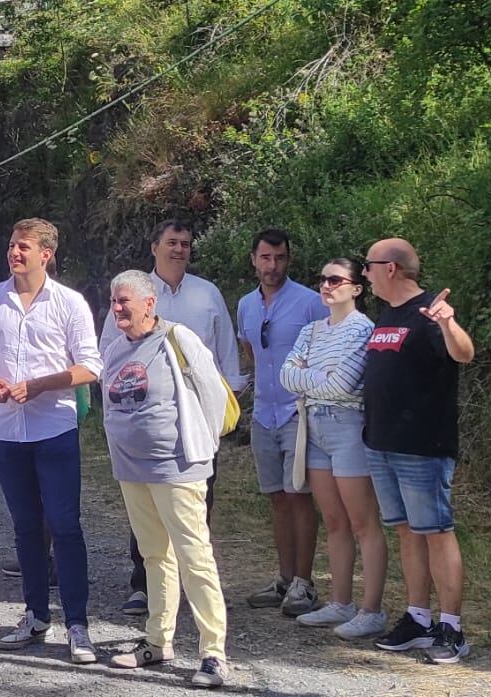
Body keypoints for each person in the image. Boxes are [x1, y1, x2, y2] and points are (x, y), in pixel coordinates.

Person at [0, 219, 102, 664]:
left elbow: (90, 367)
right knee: (25, 526)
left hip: (53, 427)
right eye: (11, 244)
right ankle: (36, 615)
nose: (14, 253)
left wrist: (42, 384)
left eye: (23, 246)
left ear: (46, 254)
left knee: (64, 524)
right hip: (6, 429)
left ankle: (77, 624)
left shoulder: (70, 302)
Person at [98, 271, 232, 688]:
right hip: (132, 470)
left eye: (125, 301)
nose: (117, 308)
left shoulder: (178, 338)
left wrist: (203, 447)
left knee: (194, 556)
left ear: (149, 303)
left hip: (177, 468)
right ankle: (158, 641)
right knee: (154, 555)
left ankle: (213, 653)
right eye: (114, 301)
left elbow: (213, 394)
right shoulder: (115, 348)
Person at [117, 219, 245, 617]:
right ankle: (144, 586)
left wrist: (220, 416)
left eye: (185, 243)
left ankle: (192, 589)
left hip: (194, 423)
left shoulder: (207, 294)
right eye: (171, 242)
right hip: (145, 424)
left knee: (195, 510)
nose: (179, 249)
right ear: (154, 247)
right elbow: (110, 354)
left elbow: (224, 354)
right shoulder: (133, 294)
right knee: (145, 511)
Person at [360, 239, 476, 663]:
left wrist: (448, 323)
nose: (364, 274)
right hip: (382, 443)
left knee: (436, 532)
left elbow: (464, 354)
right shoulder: (387, 314)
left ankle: (451, 628)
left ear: (390, 268)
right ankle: (418, 618)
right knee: (407, 531)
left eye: (368, 266)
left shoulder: (430, 312)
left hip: (422, 447)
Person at [284, 258, 388, 639]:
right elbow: (285, 375)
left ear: (356, 288)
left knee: (363, 522)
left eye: (335, 280)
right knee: (334, 520)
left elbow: (343, 384)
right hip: (314, 427)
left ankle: (371, 610)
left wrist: (308, 377)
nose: (326, 286)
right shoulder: (311, 330)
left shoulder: (363, 330)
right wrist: (318, 377)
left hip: (348, 427)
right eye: (322, 279)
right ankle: (341, 602)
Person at [236, 229, 328, 617]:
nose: (272, 266)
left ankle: (304, 583)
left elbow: (327, 352)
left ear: (288, 259)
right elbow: (249, 350)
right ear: (253, 260)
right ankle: (285, 578)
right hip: (263, 412)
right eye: (265, 258)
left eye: (280, 258)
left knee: (298, 495)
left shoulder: (310, 303)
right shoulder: (246, 305)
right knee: (276, 497)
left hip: (297, 412)